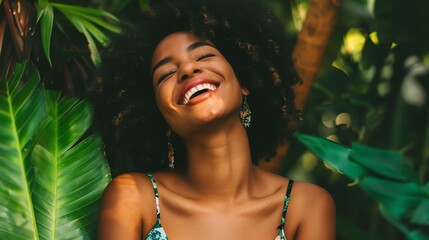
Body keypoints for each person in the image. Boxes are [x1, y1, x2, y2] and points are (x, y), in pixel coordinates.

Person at [95, 0, 335, 239]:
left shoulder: (305, 206)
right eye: (166, 73)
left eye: (204, 55)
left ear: (244, 84)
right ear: (158, 118)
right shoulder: (134, 197)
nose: (188, 69)